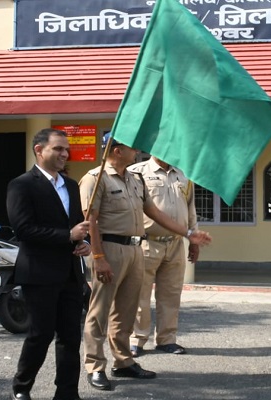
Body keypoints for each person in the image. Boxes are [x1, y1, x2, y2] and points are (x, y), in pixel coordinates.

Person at [79, 133, 211, 391]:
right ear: (116, 151)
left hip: (135, 249)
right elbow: (91, 221)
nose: (137, 150)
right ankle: (95, 366)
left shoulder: (134, 178)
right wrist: (97, 257)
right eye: (131, 147)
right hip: (109, 249)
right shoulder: (95, 179)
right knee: (99, 312)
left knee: (126, 310)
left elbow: (154, 212)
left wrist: (187, 233)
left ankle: (123, 361)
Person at [7, 128, 91, 400]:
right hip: (39, 273)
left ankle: (67, 393)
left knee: (70, 337)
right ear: (39, 150)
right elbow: (24, 230)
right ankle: (22, 388)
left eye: (66, 149)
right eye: (58, 149)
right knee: (40, 335)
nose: (64, 154)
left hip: (70, 273)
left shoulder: (70, 185)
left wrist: (83, 242)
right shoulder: (22, 185)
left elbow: (77, 226)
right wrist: (67, 236)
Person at [128, 156, 199, 356]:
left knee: (171, 294)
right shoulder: (136, 172)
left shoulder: (183, 174)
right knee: (139, 295)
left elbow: (190, 208)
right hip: (146, 242)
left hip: (176, 243)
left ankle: (167, 339)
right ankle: (136, 340)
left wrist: (193, 238)